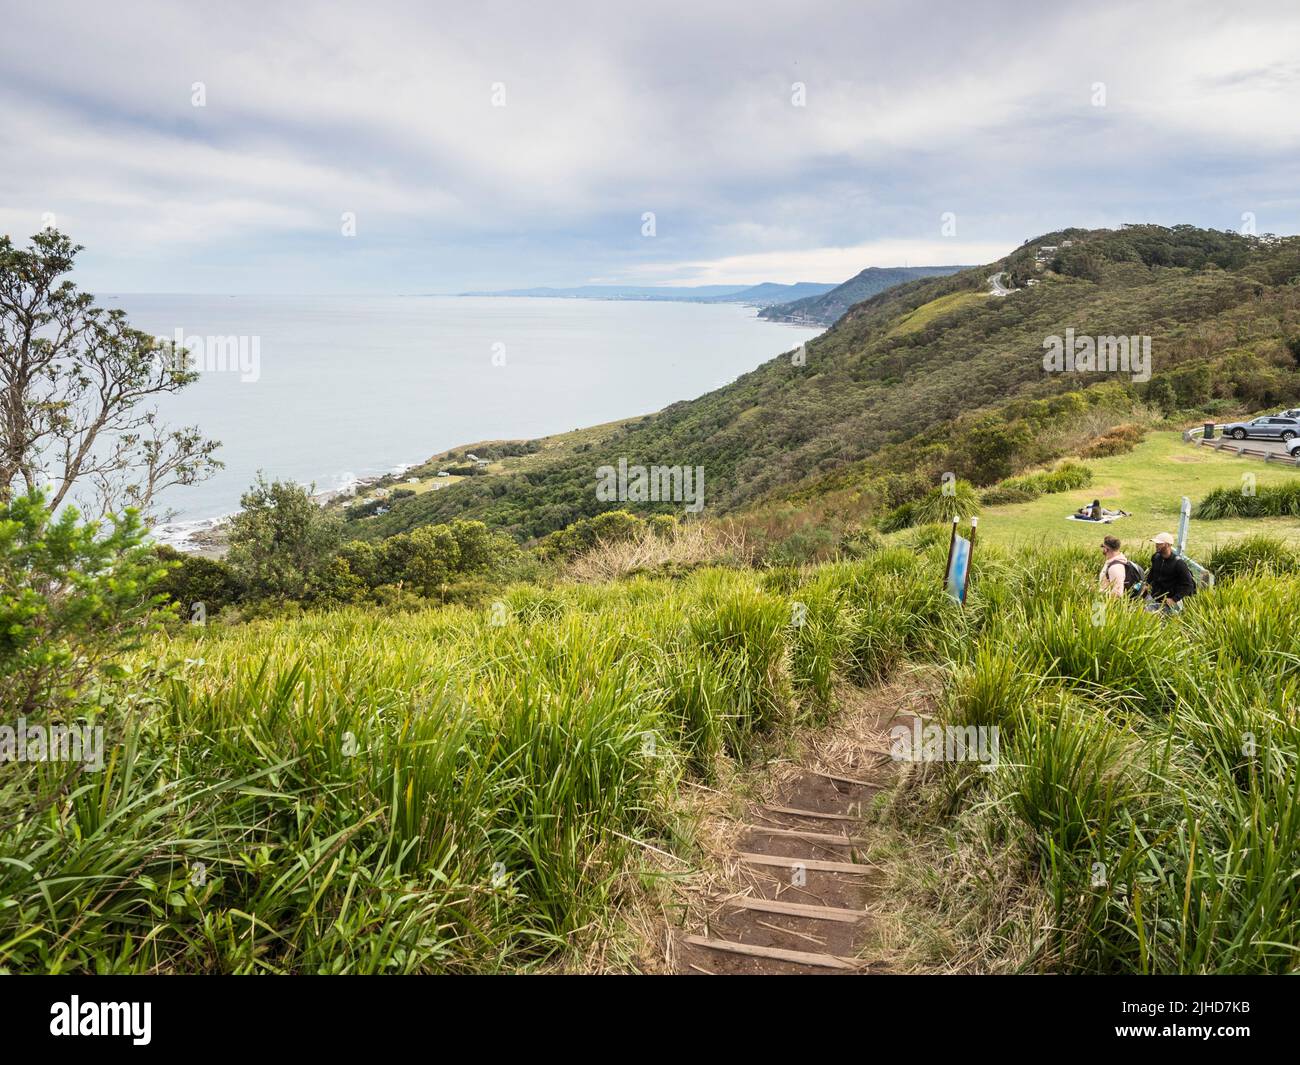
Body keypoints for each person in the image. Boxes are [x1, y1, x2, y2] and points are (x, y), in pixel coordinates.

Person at [1145, 532, 1196, 612]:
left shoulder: (1179, 564)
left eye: (1159, 543)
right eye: (1156, 543)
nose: (1156, 545)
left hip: (1169, 603)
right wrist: (1147, 584)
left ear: (1168, 545)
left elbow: (1188, 585)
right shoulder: (1156, 557)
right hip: (1154, 598)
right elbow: (1152, 571)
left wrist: (1174, 599)